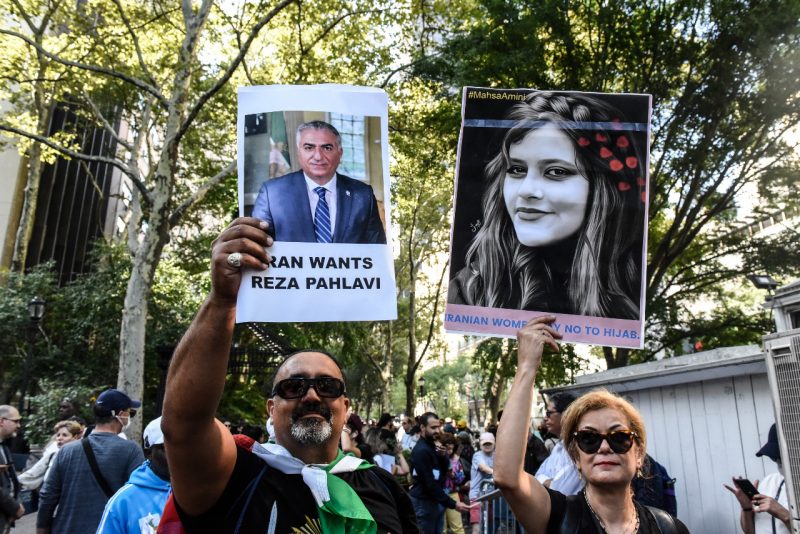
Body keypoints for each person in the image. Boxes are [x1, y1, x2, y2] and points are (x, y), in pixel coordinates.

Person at [161, 217, 417, 533]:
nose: (311, 396)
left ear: (346, 406)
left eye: (327, 386)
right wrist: (222, 300)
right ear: (271, 408)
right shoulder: (235, 477)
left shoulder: (383, 486)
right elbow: (183, 425)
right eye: (294, 387)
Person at [448, 91, 646, 319]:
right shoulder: (470, 290)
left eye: (556, 172)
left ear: (602, 189)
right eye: (517, 169)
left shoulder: (634, 294)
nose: (526, 190)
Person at [494, 317, 689, 533]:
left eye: (619, 437)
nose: (604, 447)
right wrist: (527, 365)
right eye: (589, 439)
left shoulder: (669, 528)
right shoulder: (558, 515)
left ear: (639, 453)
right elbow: (508, 477)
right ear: (576, 457)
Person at [251, 120, 387, 244]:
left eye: (327, 148)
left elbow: (376, 254)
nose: (318, 156)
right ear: (299, 153)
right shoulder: (272, 193)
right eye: (309, 148)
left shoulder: (363, 195)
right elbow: (257, 248)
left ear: (340, 153)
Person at [36, 389, 145, 534]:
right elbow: (138, 497)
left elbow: (48, 495)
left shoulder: (66, 451)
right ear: (121, 415)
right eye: (130, 413)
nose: (130, 417)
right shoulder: (131, 450)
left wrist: (42, 528)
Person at [96, 417, 172, 534]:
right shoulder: (123, 501)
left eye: (185, 445)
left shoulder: (204, 490)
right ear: (148, 453)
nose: (179, 453)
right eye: (167, 447)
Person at [410, 412, 471, 533]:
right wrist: (454, 504)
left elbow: (444, 473)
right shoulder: (421, 450)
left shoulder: (434, 446)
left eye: (438, 427)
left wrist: (443, 456)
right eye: (433, 428)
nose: (437, 431)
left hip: (436, 501)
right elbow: (429, 483)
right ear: (422, 427)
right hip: (424, 503)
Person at [725, 423, 791, 534]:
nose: (777, 461)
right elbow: (750, 531)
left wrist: (784, 514)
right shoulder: (769, 482)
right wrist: (746, 508)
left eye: (779, 456)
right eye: (773, 457)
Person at [535, 391, 582, 494]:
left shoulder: (580, 449)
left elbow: (559, 491)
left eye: (549, 413)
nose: (545, 418)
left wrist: (547, 482)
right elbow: (538, 475)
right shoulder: (559, 447)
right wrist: (548, 481)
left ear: (566, 415)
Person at [18, 421, 82, 490]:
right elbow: (35, 472)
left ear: (75, 437)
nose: (59, 438)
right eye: (58, 435)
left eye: (64, 435)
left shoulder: (81, 457)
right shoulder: (53, 454)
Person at [0, 406, 25, 533]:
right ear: (1, 421)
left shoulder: (4, 446)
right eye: (16, 421)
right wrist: (14, 507)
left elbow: (11, 480)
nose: (19, 425)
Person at [468, 432, 496, 533]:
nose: (487, 446)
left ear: (494, 443)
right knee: (477, 526)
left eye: (489, 443)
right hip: (477, 496)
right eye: (485, 444)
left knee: (489, 526)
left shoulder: (497, 455)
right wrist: (498, 474)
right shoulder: (477, 455)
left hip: (491, 496)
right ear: (480, 444)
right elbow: (483, 468)